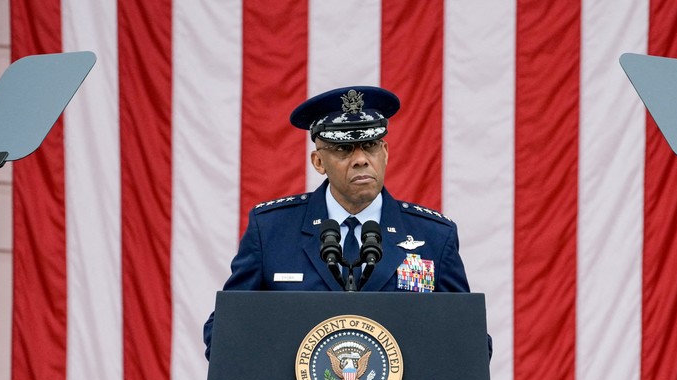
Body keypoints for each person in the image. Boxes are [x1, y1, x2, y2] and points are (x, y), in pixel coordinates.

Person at [203, 86, 474, 359]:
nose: (360, 160)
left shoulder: (435, 236)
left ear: (385, 152)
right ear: (319, 162)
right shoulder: (271, 230)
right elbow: (224, 331)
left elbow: (469, 340)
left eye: (370, 146)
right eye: (343, 149)